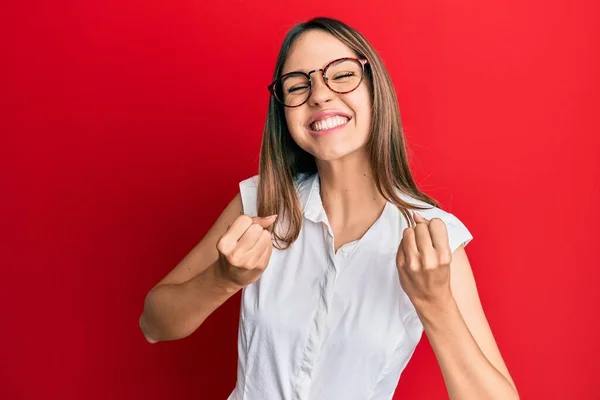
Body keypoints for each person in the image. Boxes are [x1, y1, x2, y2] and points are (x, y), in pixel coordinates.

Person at [139, 16, 519, 400]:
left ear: (375, 90)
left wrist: (435, 303)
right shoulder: (260, 202)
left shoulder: (434, 240)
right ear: (283, 112)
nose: (319, 95)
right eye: (298, 85)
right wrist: (223, 278)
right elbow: (153, 324)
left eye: (341, 75)